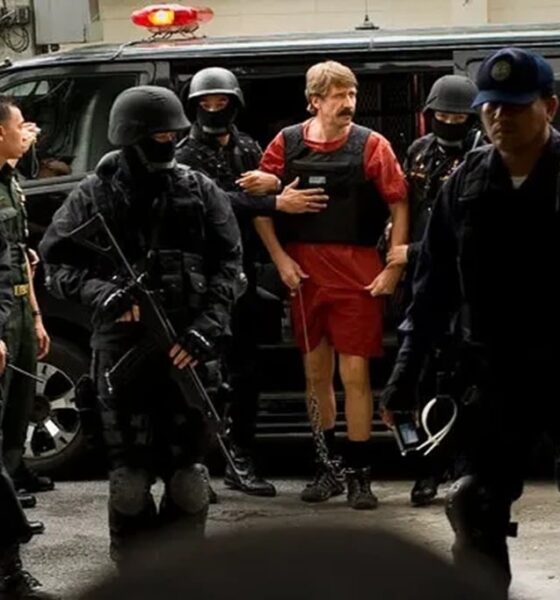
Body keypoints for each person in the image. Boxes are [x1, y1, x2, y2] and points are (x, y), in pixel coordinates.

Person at [381, 47, 560, 596]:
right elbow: (432, 283)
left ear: (549, 107)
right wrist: (406, 371)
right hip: (492, 369)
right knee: (473, 501)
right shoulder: (466, 183)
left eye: (515, 106)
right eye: (491, 107)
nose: (499, 118)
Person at [39, 85, 243, 563]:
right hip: (122, 355)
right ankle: (132, 577)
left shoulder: (199, 190)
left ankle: (184, 574)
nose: (168, 143)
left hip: (188, 351)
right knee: (129, 484)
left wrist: (205, 329)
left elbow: (231, 266)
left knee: (189, 481)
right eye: (157, 135)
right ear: (130, 137)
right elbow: (56, 265)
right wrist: (103, 294)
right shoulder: (94, 193)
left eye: (173, 134)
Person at [241, 61, 408, 509]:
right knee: (315, 373)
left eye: (351, 94)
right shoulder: (288, 142)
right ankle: (326, 467)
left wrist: (393, 264)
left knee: (354, 374)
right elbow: (258, 205)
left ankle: (359, 474)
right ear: (315, 100)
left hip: (357, 268)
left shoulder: (371, 144)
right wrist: (280, 260)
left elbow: (399, 201)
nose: (348, 103)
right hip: (305, 271)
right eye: (338, 95)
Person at [176, 67, 327, 498]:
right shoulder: (186, 153)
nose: (212, 109)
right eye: (205, 103)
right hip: (203, 281)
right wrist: (274, 199)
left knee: (247, 375)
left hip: (244, 274)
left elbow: (277, 184)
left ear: (234, 103)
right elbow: (212, 200)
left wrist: (275, 188)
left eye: (220, 102)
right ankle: (201, 463)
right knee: (207, 376)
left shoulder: (247, 146)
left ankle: (240, 457)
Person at [386, 74, 481, 506]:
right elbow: (409, 207)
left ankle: (463, 471)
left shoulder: (482, 157)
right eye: (441, 115)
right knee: (423, 376)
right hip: (425, 278)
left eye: (457, 116)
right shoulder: (420, 151)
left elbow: (470, 234)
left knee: (464, 381)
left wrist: (413, 251)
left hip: (468, 285)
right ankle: (428, 470)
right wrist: (394, 250)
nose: (448, 122)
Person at [0, 102, 54, 599]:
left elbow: (20, 257)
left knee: (16, 416)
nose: (27, 135)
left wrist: (35, 315)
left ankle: (11, 495)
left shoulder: (9, 182)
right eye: (20, 127)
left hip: (17, 310)